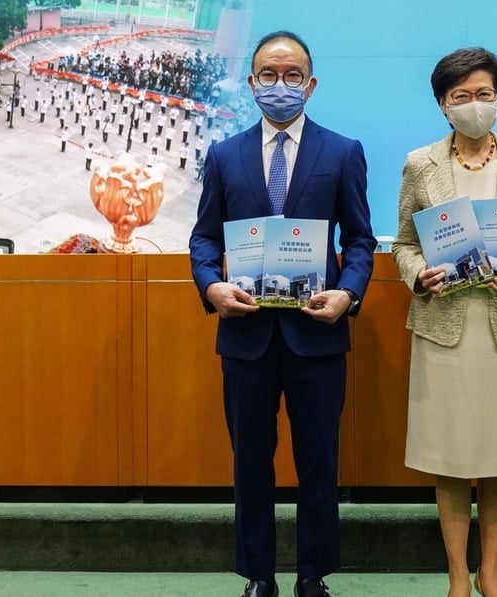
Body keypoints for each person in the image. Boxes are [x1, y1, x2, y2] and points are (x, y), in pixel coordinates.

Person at [189, 30, 376, 597]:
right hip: (244, 336)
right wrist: (211, 287)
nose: (280, 85)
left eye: (292, 75)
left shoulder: (343, 152)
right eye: (268, 75)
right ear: (251, 84)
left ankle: (313, 574)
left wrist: (349, 293)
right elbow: (202, 240)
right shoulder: (223, 156)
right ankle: (258, 575)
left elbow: (362, 242)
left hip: (316, 336)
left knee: (319, 461)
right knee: (251, 463)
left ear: (310, 84)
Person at [392, 47, 497, 597]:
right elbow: (405, 245)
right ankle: (458, 573)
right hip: (444, 326)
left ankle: (491, 571)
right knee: (452, 456)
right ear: (443, 104)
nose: (474, 105)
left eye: (484, 94)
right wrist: (418, 275)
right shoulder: (419, 164)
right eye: (461, 96)